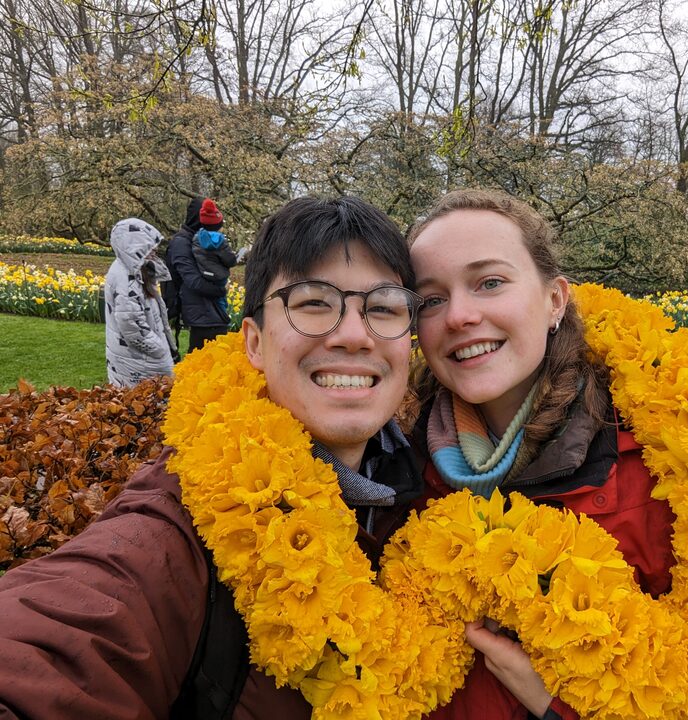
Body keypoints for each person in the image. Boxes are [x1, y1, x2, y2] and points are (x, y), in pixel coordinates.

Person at [0, 196, 424, 718]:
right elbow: (64, 634)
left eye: (383, 307)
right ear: (252, 342)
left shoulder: (425, 486)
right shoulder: (184, 521)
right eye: (314, 302)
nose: (356, 335)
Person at [406, 189, 676, 720]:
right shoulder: (394, 463)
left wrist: (556, 704)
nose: (459, 316)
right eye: (430, 299)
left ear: (555, 300)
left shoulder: (662, 464)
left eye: (490, 282)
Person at [104, 217, 177, 387]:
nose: (155, 249)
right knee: (146, 404)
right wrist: (161, 351)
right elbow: (133, 328)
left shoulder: (134, 270)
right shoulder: (126, 279)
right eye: (148, 245)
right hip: (140, 361)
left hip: (138, 358)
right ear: (132, 245)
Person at [167, 196, 232, 353]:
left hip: (208, 311)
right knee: (204, 362)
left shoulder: (198, 240)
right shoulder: (181, 243)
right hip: (202, 314)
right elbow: (193, 281)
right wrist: (221, 289)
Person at [192, 198, 238, 319]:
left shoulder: (197, 238)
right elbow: (230, 261)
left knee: (212, 303)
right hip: (219, 277)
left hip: (204, 275)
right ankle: (224, 320)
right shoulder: (221, 241)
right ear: (219, 224)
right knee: (221, 302)